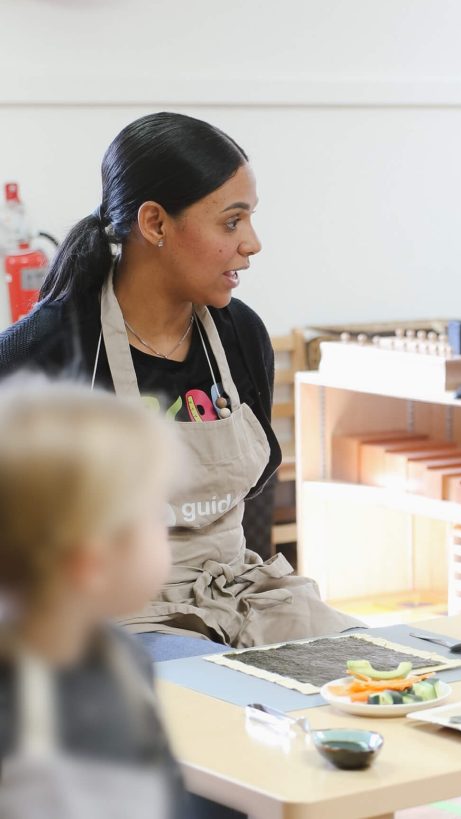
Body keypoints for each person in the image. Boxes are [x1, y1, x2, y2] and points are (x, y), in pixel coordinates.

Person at [0, 112, 361, 661]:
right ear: (155, 223)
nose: (253, 244)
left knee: (368, 664)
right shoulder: (49, 349)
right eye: (231, 222)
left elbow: (252, 490)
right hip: (112, 616)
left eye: (250, 220)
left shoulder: (241, 334)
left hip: (242, 595)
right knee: (214, 693)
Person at [0, 380, 188, 818]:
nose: (168, 524)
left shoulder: (119, 654)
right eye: (154, 513)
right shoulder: (25, 721)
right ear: (91, 562)